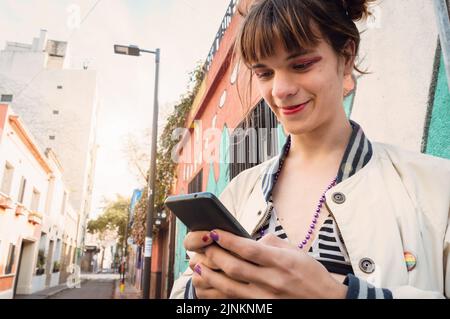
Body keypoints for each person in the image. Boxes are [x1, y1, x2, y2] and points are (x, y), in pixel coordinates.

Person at [170, 0, 450, 299]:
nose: (280, 90)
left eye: (301, 64)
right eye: (264, 73)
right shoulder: (239, 192)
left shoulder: (436, 185)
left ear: (346, 55)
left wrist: (338, 294)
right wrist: (201, 291)